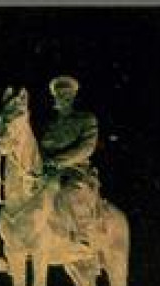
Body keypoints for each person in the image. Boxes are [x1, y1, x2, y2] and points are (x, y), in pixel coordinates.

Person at [39, 75, 100, 249]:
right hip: (49, 171)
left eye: (67, 94)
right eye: (59, 94)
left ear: (73, 96)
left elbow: (87, 148)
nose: (62, 98)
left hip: (75, 170)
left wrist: (58, 161)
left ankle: (81, 234)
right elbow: (41, 150)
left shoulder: (86, 119)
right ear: (55, 97)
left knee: (66, 192)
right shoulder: (49, 125)